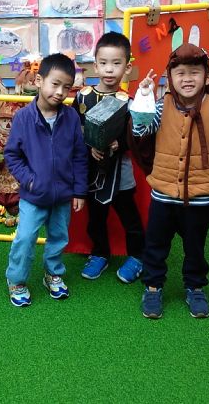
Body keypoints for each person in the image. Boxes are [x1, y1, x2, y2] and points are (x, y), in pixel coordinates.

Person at [130, 43, 209, 320]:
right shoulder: (161, 106)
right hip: (163, 194)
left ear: (207, 77)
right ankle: (153, 287)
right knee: (155, 245)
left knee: (195, 247)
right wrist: (143, 100)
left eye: (195, 72)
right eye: (180, 73)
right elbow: (141, 131)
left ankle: (195, 287)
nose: (187, 78)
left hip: (201, 196)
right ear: (170, 78)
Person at [3, 53, 88, 307]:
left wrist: (79, 191)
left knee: (59, 238)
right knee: (25, 238)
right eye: (55, 84)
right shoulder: (23, 118)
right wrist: (29, 180)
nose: (60, 92)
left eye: (67, 87)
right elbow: (12, 155)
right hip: (33, 196)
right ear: (39, 81)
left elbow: (79, 156)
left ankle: (53, 273)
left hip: (63, 196)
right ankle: (16, 280)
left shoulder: (71, 117)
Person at [72, 32, 145, 284]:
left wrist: (119, 143)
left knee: (130, 217)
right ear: (95, 65)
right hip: (92, 171)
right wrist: (88, 145)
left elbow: (137, 135)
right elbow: (74, 129)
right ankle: (100, 253)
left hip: (120, 171)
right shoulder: (82, 97)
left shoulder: (130, 102)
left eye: (116, 63)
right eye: (103, 63)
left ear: (127, 67)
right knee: (96, 217)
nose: (109, 69)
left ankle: (137, 256)